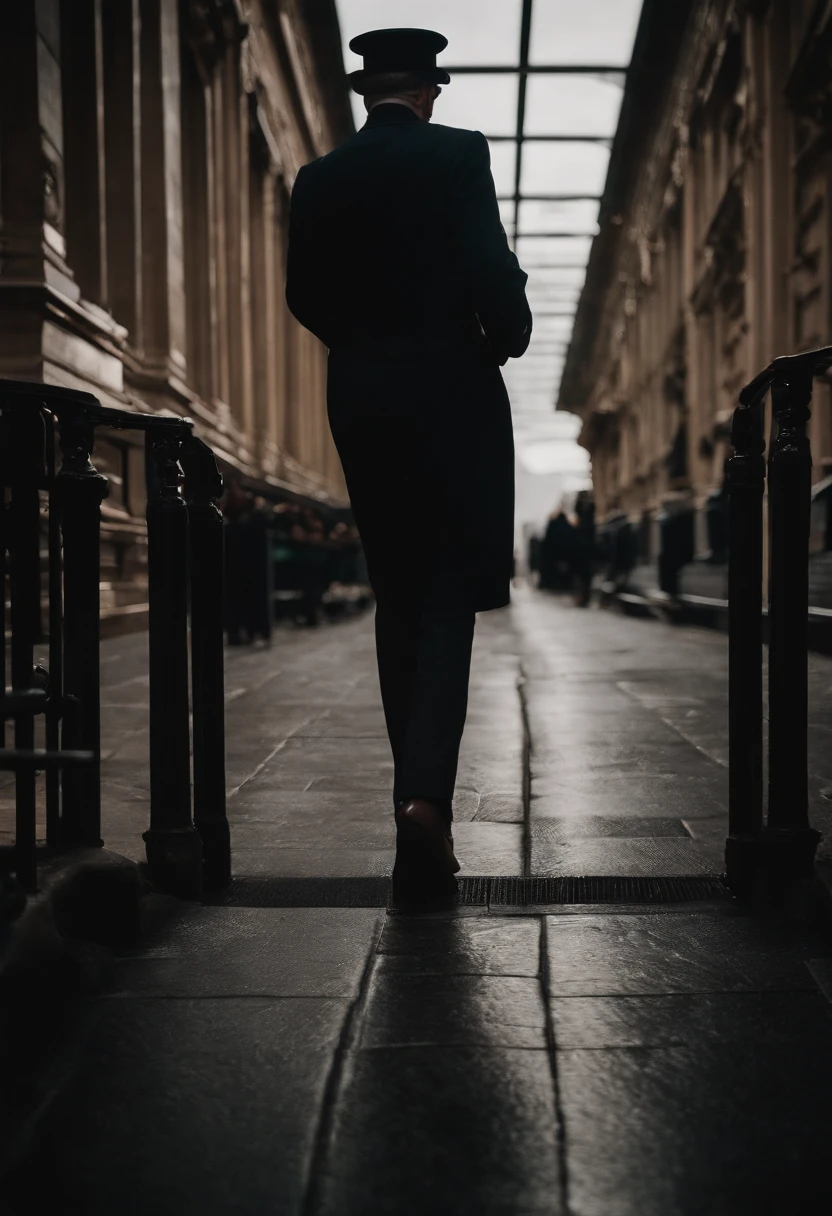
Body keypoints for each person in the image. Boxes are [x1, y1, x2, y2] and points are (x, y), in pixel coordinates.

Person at [286, 27, 531, 900]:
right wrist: (504, 336)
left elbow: (302, 294)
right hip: (451, 392)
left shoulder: (317, 178)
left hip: (361, 395)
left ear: (363, 94)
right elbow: (488, 266)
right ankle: (426, 803)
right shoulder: (458, 154)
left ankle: (413, 804)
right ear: (431, 91)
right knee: (446, 598)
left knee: (397, 593)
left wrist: (364, 350)